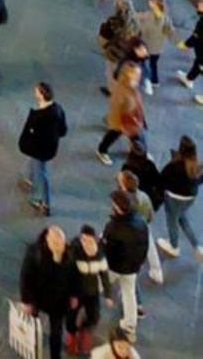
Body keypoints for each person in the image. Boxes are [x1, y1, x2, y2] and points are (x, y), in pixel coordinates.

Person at [18, 224, 73, 359]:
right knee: (32, 324)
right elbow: (26, 278)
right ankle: (31, 348)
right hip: (39, 297)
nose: (59, 246)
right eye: (55, 242)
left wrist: (74, 295)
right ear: (47, 240)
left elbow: (73, 276)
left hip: (59, 301)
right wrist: (26, 301)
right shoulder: (34, 253)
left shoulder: (69, 254)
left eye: (61, 243)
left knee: (57, 331)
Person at [102, 190, 148, 341]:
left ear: (117, 208)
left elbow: (106, 249)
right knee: (129, 294)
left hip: (115, 267)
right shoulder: (141, 221)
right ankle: (130, 326)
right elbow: (145, 245)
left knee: (100, 284)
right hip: (132, 267)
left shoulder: (113, 227)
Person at [18, 81, 67, 215]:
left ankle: (45, 203)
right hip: (50, 146)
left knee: (41, 172)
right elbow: (63, 130)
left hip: (39, 149)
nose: (35, 92)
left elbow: (29, 132)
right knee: (34, 163)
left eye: (37, 91)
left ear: (41, 95)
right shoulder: (58, 109)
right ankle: (29, 178)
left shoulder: (39, 115)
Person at [63, 223, 110, 350]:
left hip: (92, 291)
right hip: (76, 291)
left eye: (88, 239)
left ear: (94, 239)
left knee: (94, 316)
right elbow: (69, 275)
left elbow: (104, 273)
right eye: (82, 239)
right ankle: (71, 335)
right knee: (71, 315)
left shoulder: (100, 252)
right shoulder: (74, 251)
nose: (85, 242)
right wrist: (72, 295)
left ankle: (84, 330)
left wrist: (108, 295)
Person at [157, 133, 201, 259]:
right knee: (182, 218)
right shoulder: (196, 165)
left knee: (172, 221)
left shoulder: (175, 164)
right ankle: (196, 245)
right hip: (190, 198)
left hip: (174, 198)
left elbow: (162, 178)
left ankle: (174, 246)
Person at [97, 60, 145, 160]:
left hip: (132, 119)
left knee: (136, 137)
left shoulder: (133, 87)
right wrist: (118, 124)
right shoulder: (120, 92)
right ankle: (102, 150)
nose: (137, 78)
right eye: (134, 75)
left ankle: (139, 151)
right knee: (112, 135)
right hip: (122, 120)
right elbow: (115, 110)